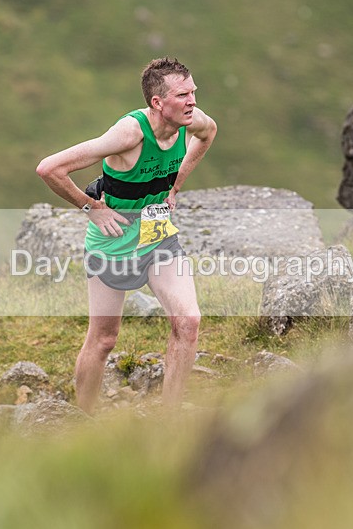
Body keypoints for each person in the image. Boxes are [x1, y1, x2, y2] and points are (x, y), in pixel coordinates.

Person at [36, 57, 217, 413]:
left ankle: (169, 418)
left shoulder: (191, 121)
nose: (192, 101)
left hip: (158, 238)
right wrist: (92, 208)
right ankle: (83, 418)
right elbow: (49, 168)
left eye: (193, 91)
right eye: (182, 95)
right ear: (157, 102)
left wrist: (175, 186)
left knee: (188, 322)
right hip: (112, 245)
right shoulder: (128, 134)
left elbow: (209, 133)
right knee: (104, 340)